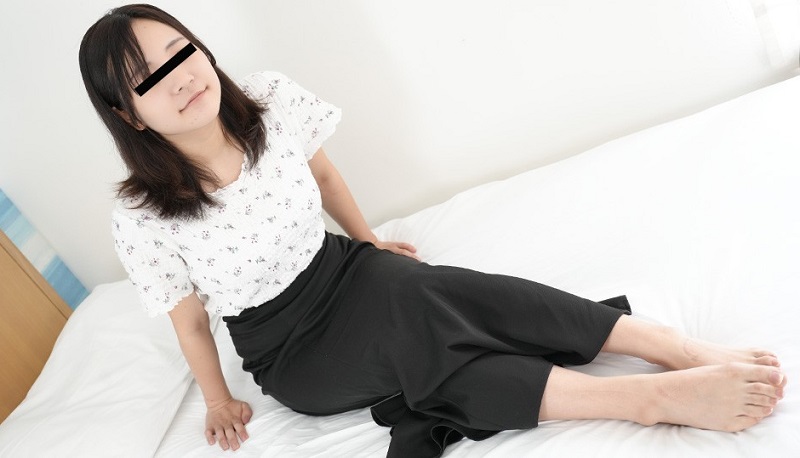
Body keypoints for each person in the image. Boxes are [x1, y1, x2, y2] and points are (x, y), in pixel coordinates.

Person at [79, 4, 786, 457]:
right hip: (290, 347)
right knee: (421, 324)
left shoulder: (269, 98)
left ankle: (671, 348)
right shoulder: (142, 216)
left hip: (344, 269)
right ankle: (647, 400)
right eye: (150, 78)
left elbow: (326, 179)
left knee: (442, 293)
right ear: (129, 114)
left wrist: (367, 241)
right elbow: (191, 324)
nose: (180, 77)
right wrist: (218, 399)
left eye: (181, 52)